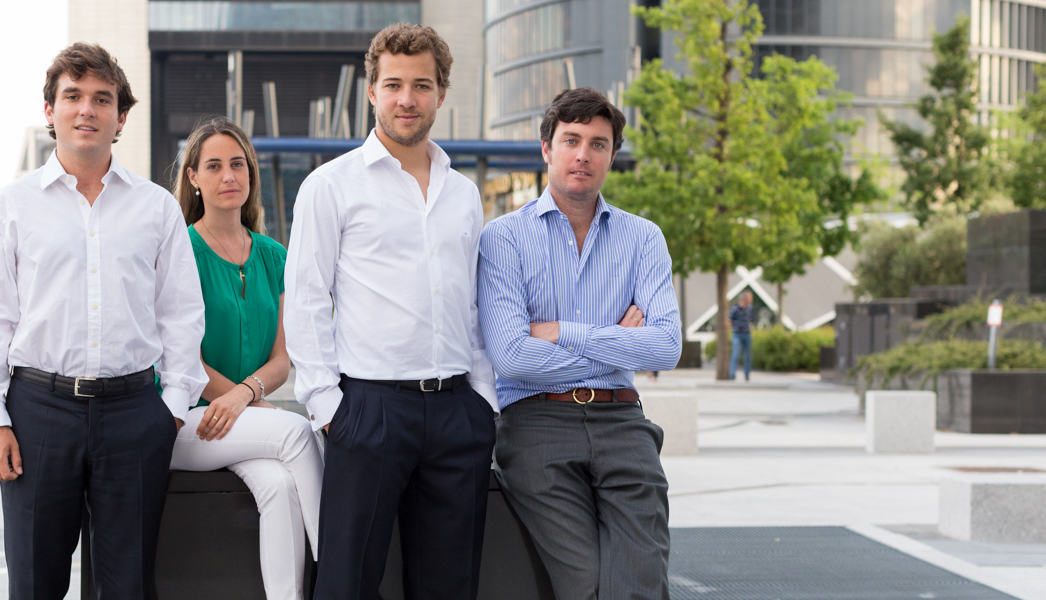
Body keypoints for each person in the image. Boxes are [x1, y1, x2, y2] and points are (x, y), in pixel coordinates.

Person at [0, 42, 207, 600]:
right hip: (37, 414)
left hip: (134, 415)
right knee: (34, 583)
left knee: (129, 585)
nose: (86, 109)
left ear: (121, 116)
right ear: (50, 110)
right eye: (72, 96)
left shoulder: (156, 207)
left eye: (102, 98)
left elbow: (181, 314)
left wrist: (171, 409)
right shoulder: (11, 206)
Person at [284, 23, 499, 600]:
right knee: (347, 584)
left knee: (450, 586)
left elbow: (471, 301)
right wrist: (329, 407)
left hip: (457, 412)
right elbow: (305, 298)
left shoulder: (463, 193)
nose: (408, 99)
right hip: (369, 412)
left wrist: (483, 399)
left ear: (441, 94)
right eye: (394, 85)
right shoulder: (330, 186)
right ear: (372, 91)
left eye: (422, 85)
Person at [477, 87, 683, 600]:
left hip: (622, 421)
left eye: (598, 144)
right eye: (571, 140)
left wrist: (562, 331)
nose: (583, 155)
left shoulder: (644, 238)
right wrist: (618, 341)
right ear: (546, 149)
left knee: (639, 581)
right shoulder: (503, 238)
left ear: (612, 156)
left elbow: (666, 348)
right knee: (585, 584)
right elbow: (511, 356)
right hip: (536, 425)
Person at [169, 118, 323, 600]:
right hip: (186, 420)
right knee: (297, 432)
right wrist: (241, 399)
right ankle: (340, 576)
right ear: (193, 177)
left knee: (279, 485)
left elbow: (282, 358)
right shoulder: (179, 251)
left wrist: (244, 396)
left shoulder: (275, 256)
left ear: (251, 174)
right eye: (214, 166)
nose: (228, 176)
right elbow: (181, 358)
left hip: (244, 416)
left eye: (238, 164)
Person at [729, 290, 755, 381]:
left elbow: (751, 319)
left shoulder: (749, 308)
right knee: (735, 354)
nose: (751, 300)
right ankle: (732, 374)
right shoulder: (735, 309)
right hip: (737, 334)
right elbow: (729, 320)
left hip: (747, 334)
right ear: (745, 299)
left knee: (748, 355)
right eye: (750, 298)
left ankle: (747, 374)